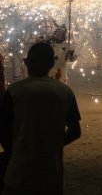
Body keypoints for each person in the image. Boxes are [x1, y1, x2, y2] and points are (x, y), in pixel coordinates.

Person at [0, 42, 81, 195]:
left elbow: (3, 129)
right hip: (51, 172)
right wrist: (54, 145)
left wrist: (16, 149)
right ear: (51, 64)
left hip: (19, 171)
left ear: (28, 64)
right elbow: (75, 131)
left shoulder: (14, 91)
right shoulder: (65, 92)